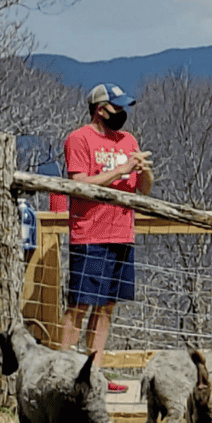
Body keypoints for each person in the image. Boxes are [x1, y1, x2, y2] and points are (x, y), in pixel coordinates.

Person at [59, 84, 153, 391]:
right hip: (90, 234)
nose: (122, 114)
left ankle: (94, 373)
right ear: (101, 109)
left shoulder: (128, 140)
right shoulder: (79, 139)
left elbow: (143, 188)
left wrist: (143, 170)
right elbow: (80, 183)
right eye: (117, 107)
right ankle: (62, 370)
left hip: (122, 232)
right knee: (81, 303)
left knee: (107, 306)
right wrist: (121, 169)